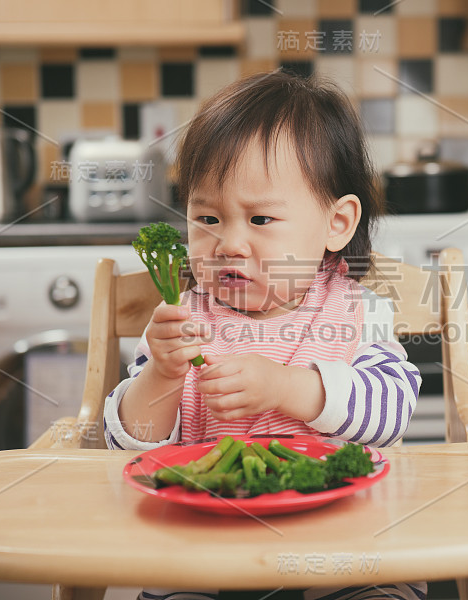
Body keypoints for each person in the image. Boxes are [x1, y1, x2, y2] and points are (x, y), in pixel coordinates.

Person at [103, 70, 425, 600]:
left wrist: (285, 388)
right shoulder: (180, 316)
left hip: (343, 547)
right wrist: (161, 374)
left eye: (260, 219)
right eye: (207, 216)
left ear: (336, 224)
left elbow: (392, 412)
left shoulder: (354, 312)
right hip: (203, 552)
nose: (228, 242)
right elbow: (125, 445)